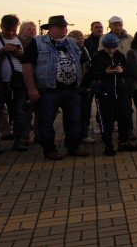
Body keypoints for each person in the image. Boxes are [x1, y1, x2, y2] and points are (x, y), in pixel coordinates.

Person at [21, 15, 89, 160]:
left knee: (74, 120)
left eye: (65, 26)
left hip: (71, 90)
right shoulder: (37, 43)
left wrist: (80, 81)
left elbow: (82, 62)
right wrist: (31, 89)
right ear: (50, 28)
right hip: (49, 90)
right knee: (46, 121)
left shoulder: (72, 42)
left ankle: (73, 147)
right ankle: (49, 149)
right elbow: (27, 65)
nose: (64, 29)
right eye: (60, 26)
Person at [88, 33, 137, 155]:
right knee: (106, 121)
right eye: (109, 48)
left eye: (114, 47)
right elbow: (91, 74)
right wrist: (105, 72)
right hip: (104, 94)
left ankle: (123, 143)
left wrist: (122, 70)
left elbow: (128, 71)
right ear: (104, 46)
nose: (112, 50)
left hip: (121, 93)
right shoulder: (97, 56)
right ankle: (108, 145)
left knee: (125, 118)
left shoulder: (120, 56)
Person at [0, 14, 31, 152]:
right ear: (1, 26)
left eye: (13, 30)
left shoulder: (22, 40)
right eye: (8, 30)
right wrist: (2, 51)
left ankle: (19, 140)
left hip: (19, 83)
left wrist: (21, 55)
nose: (11, 33)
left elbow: (29, 61)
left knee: (20, 112)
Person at [67, 29, 94, 143]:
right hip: (73, 86)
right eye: (78, 38)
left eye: (82, 37)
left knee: (85, 111)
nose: (81, 40)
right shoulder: (68, 49)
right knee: (74, 112)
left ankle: (83, 133)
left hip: (84, 85)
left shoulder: (83, 49)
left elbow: (86, 65)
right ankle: (75, 135)